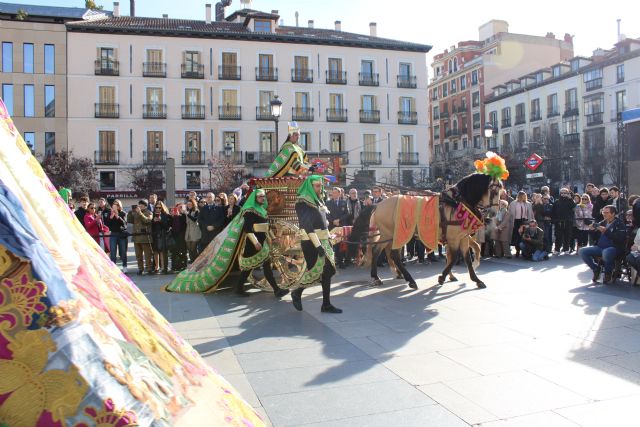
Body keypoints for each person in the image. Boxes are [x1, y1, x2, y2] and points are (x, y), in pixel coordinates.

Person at [291, 175, 342, 314]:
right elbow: (307, 226)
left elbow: (322, 221)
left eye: (321, 185)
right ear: (310, 186)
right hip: (311, 243)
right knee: (315, 271)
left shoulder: (318, 200)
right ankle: (297, 292)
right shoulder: (302, 202)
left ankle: (326, 304)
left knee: (329, 271)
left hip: (324, 240)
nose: (321, 188)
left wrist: (329, 235)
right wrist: (318, 245)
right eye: (317, 186)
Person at [233, 189, 289, 298]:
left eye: (263, 196)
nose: (262, 198)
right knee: (248, 268)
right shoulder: (249, 211)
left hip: (263, 242)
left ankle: (276, 290)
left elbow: (266, 227)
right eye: (260, 197)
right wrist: (255, 242)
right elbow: (247, 229)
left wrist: (273, 238)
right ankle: (239, 288)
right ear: (255, 198)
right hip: (253, 243)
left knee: (266, 266)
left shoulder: (262, 210)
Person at [580, 205, 627, 284]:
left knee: (606, 252)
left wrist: (606, 231)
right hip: (600, 247)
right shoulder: (603, 222)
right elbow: (594, 236)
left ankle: (608, 272)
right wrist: (592, 230)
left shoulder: (620, 224)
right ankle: (596, 269)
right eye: (603, 212)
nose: (604, 214)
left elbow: (620, 239)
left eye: (606, 212)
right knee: (582, 251)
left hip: (614, 248)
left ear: (613, 214)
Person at [127, 199, 153, 275]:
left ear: (145, 205)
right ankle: (140, 269)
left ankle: (149, 268)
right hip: (136, 236)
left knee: (147, 254)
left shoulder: (149, 212)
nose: (140, 206)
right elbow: (129, 221)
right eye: (139, 204)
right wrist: (130, 213)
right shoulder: (135, 212)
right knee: (138, 255)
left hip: (145, 237)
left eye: (141, 205)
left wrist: (140, 213)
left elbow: (147, 221)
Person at [326, 187, 349, 268]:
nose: (334, 194)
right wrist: (333, 221)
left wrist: (339, 219)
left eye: (336, 193)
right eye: (333, 193)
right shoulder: (328, 203)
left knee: (341, 245)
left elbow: (347, 213)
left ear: (339, 193)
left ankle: (341, 261)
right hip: (332, 226)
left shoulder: (344, 202)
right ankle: (331, 262)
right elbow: (327, 214)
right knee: (331, 244)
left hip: (341, 226)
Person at [104, 199, 128, 273]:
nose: (115, 206)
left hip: (121, 234)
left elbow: (124, 224)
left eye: (117, 204)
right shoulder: (109, 213)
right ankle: (113, 268)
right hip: (113, 234)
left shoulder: (123, 213)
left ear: (119, 206)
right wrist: (111, 216)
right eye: (114, 204)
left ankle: (124, 266)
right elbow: (107, 224)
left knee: (123, 251)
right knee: (113, 251)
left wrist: (117, 216)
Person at [508, 191, 534, 257]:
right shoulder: (513, 203)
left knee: (524, 236)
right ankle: (517, 250)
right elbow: (510, 213)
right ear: (519, 196)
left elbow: (531, 213)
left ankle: (524, 251)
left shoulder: (528, 204)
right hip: (516, 221)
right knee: (517, 237)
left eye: (524, 195)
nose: (523, 197)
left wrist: (532, 221)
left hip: (525, 221)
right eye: (522, 196)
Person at [552, 188, 576, 254]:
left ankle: (566, 249)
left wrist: (570, 198)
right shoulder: (557, 201)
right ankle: (557, 249)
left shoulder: (570, 201)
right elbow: (553, 212)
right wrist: (554, 220)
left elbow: (574, 207)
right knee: (558, 236)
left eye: (565, 193)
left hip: (568, 221)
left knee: (567, 236)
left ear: (568, 193)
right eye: (562, 193)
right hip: (558, 221)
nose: (563, 194)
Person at [151, 200, 172, 274]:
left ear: (162, 208)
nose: (158, 209)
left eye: (159, 207)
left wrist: (160, 221)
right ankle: (157, 267)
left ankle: (163, 267)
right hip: (154, 235)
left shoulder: (165, 215)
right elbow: (150, 226)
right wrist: (153, 221)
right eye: (156, 207)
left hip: (163, 235)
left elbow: (167, 227)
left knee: (162, 251)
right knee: (155, 251)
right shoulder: (152, 214)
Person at [170, 203, 188, 272]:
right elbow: (171, 225)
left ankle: (183, 266)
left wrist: (179, 216)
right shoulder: (172, 216)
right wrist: (173, 216)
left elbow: (184, 225)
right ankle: (174, 266)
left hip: (182, 236)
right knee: (174, 252)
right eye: (177, 207)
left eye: (181, 207)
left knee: (183, 252)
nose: (179, 209)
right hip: (174, 237)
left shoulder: (184, 215)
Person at [185, 197, 201, 263]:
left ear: (193, 204)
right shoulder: (187, 211)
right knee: (189, 248)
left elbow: (195, 220)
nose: (189, 206)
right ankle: (192, 261)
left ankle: (196, 261)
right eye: (188, 204)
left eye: (190, 204)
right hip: (188, 231)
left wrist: (187, 214)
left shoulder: (197, 211)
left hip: (195, 231)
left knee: (193, 248)